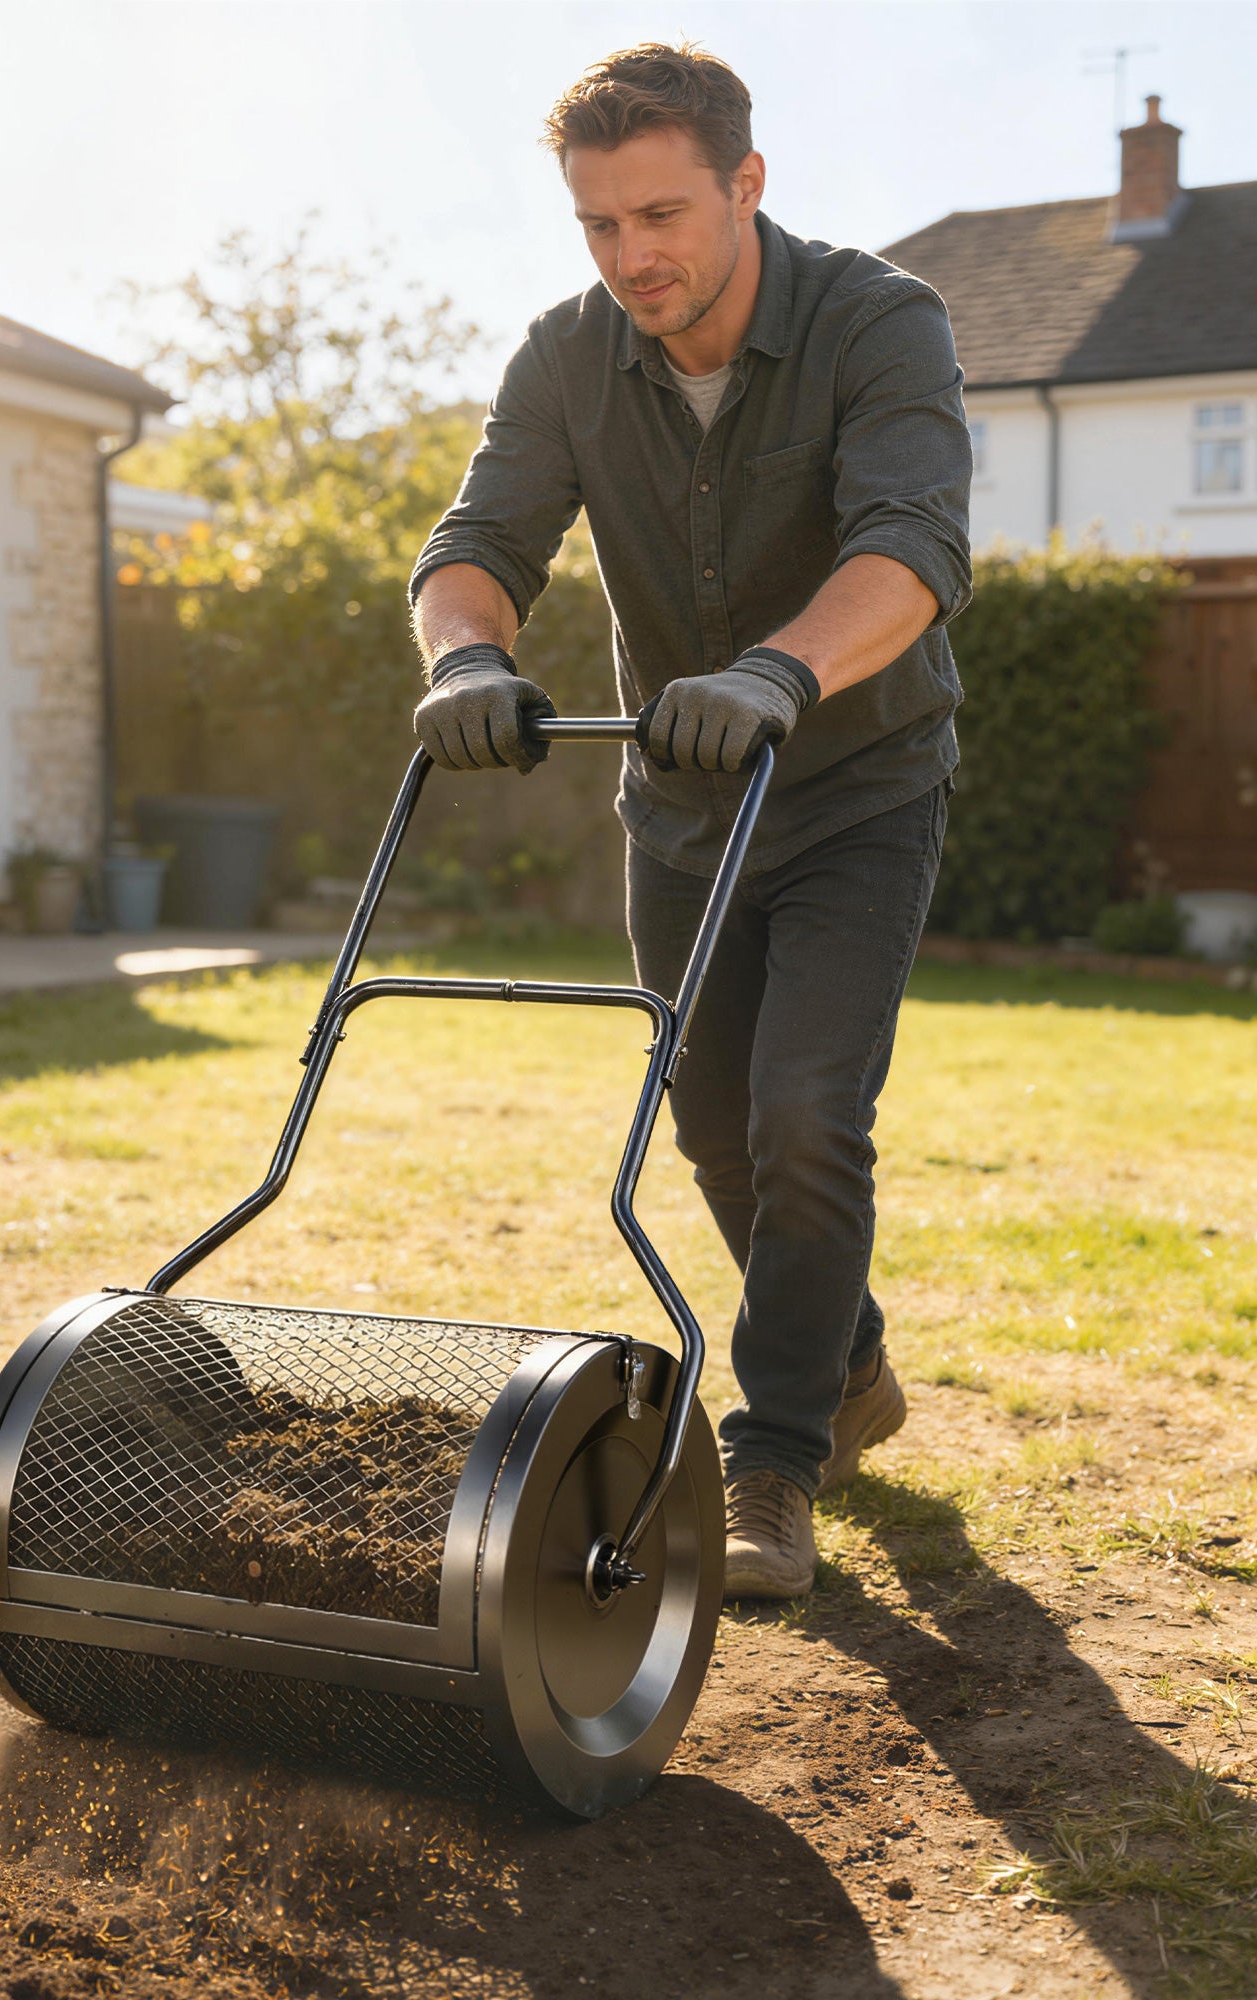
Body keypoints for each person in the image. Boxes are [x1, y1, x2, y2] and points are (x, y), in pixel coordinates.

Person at [409, 42, 971, 1600]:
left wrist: (783, 669)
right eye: (598, 226)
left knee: (806, 1114)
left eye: (659, 214)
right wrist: (465, 657)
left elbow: (913, 546)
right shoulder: (570, 356)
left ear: (746, 183)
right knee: (713, 1129)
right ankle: (844, 1355)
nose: (631, 257)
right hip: (680, 809)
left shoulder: (876, 321)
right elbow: (478, 542)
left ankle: (780, 1456)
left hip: (858, 787)